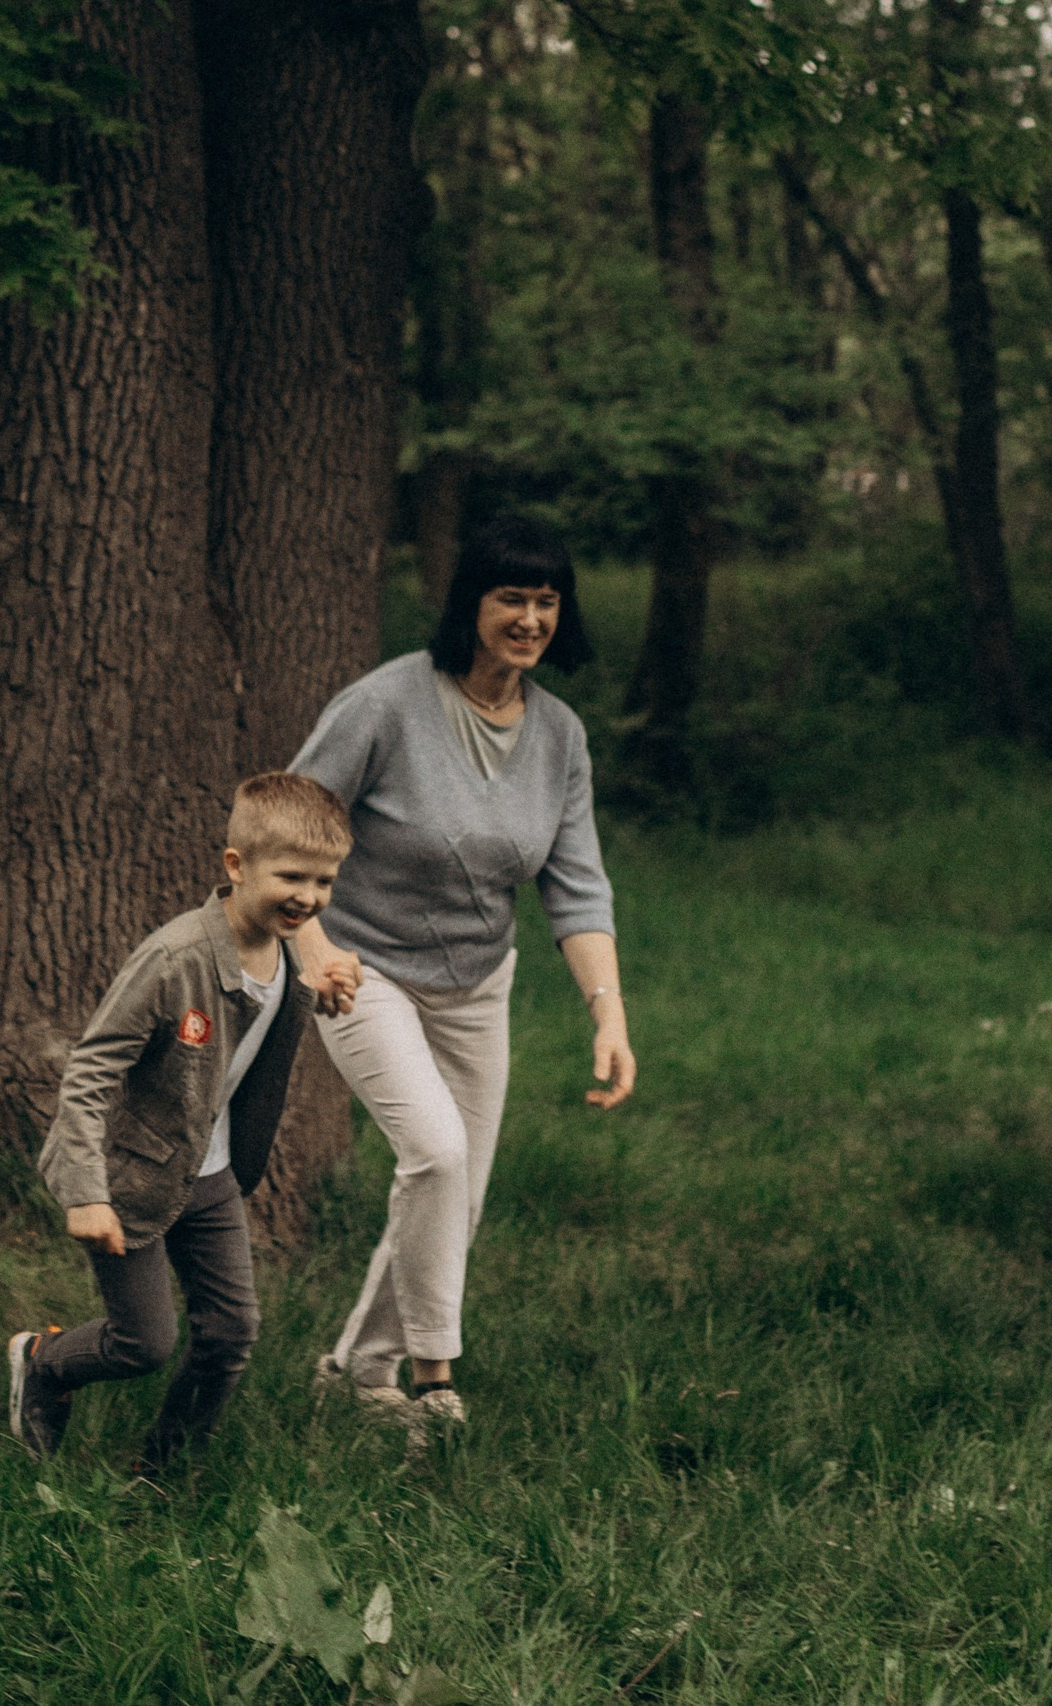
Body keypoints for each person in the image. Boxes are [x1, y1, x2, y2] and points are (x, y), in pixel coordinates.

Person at [290, 513, 637, 1430]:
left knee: (459, 1192)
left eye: (546, 601)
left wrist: (608, 1014)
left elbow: (577, 885)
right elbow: (288, 825)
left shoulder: (559, 736)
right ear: (470, 602)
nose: (530, 618)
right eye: (510, 598)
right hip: (362, 968)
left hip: (478, 983)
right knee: (436, 1154)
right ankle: (428, 1381)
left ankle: (357, 1374)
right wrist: (312, 946)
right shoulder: (386, 704)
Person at [8, 772, 357, 1471]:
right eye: (292, 876)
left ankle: (162, 1474)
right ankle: (43, 1363)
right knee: (144, 1343)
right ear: (236, 866)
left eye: (324, 883)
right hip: (132, 1176)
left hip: (213, 1174)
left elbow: (250, 1025)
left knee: (230, 1333)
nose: (308, 898)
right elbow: (91, 1069)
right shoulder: (175, 958)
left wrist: (316, 997)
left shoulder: (287, 952)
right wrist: (86, 1192)